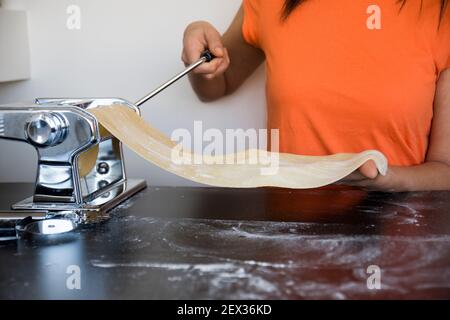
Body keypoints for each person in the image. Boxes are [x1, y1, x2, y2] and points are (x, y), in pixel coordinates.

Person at [181, 0, 450, 192]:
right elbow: (217, 86)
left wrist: (391, 180)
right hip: (289, 235)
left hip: (400, 243)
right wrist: (199, 52)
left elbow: (445, 169)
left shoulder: (440, 14)